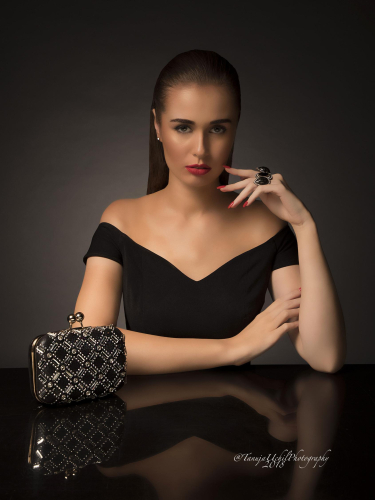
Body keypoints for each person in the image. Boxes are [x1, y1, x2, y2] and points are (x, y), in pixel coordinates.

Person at [75, 50, 346, 376]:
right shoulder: (121, 221)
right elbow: (87, 349)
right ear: (158, 126)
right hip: (144, 424)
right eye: (183, 128)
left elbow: (326, 356)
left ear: (234, 129)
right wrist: (233, 348)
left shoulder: (267, 228)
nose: (200, 149)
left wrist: (304, 226)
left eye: (217, 129)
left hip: (242, 422)